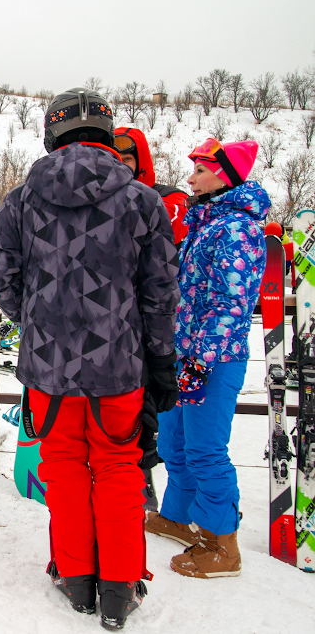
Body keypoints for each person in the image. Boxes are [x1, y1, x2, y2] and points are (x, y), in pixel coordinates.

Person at [0, 87, 179, 629]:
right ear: (107, 132)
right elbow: (161, 292)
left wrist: (40, 318)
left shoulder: (22, 198)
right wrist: (160, 359)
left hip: (49, 367)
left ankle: (75, 578)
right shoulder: (142, 200)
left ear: (53, 133)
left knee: (64, 465)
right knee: (119, 468)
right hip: (121, 364)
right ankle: (118, 587)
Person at [148, 138, 267, 580]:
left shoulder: (237, 228)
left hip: (215, 360)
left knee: (205, 450)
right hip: (187, 353)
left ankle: (223, 544)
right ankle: (179, 517)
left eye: (199, 170)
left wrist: (201, 359)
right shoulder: (208, 221)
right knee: (173, 442)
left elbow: (231, 303)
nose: (191, 178)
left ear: (224, 176)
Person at [112, 127, 192, 513]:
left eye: (126, 159)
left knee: (148, 420)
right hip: (115, 329)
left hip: (156, 327)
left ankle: (143, 500)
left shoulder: (167, 200)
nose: (118, 167)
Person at [114, 127, 191, 245]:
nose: (120, 165)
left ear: (140, 163)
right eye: (115, 159)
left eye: (127, 159)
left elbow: (171, 225)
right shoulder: (97, 195)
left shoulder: (171, 196)